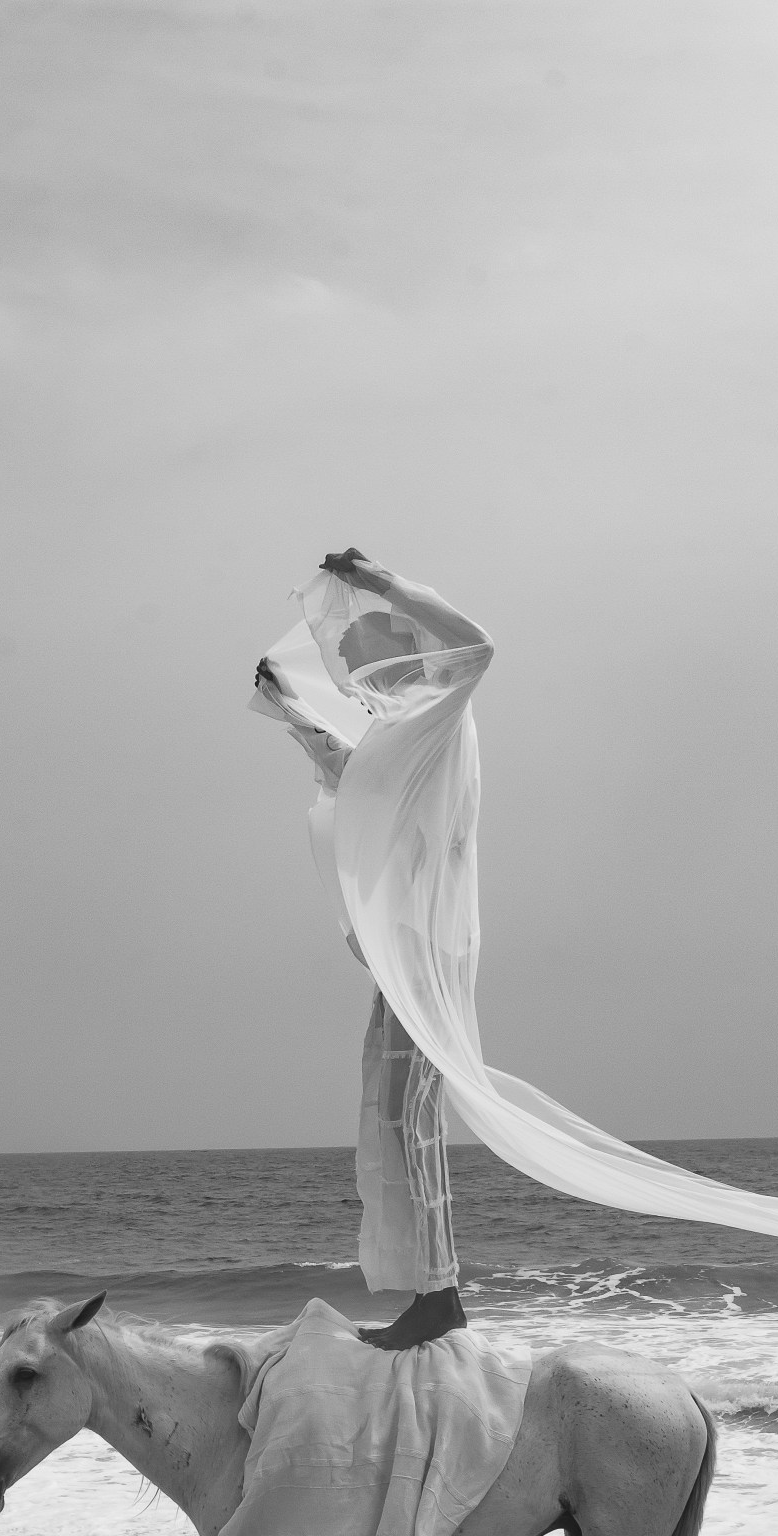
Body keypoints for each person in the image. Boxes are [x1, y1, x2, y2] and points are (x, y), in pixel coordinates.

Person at [254, 548, 494, 1350]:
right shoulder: (401, 734)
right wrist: (291, 712)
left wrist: (379, 581)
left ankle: (441, 1295)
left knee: (410, 1111)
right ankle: (435, 1289)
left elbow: (478, 646)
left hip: (427, 944)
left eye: (363, 657)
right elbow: (357, 781)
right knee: (396, 1112)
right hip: (409, 942)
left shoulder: (444, 704)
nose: (355, 673)